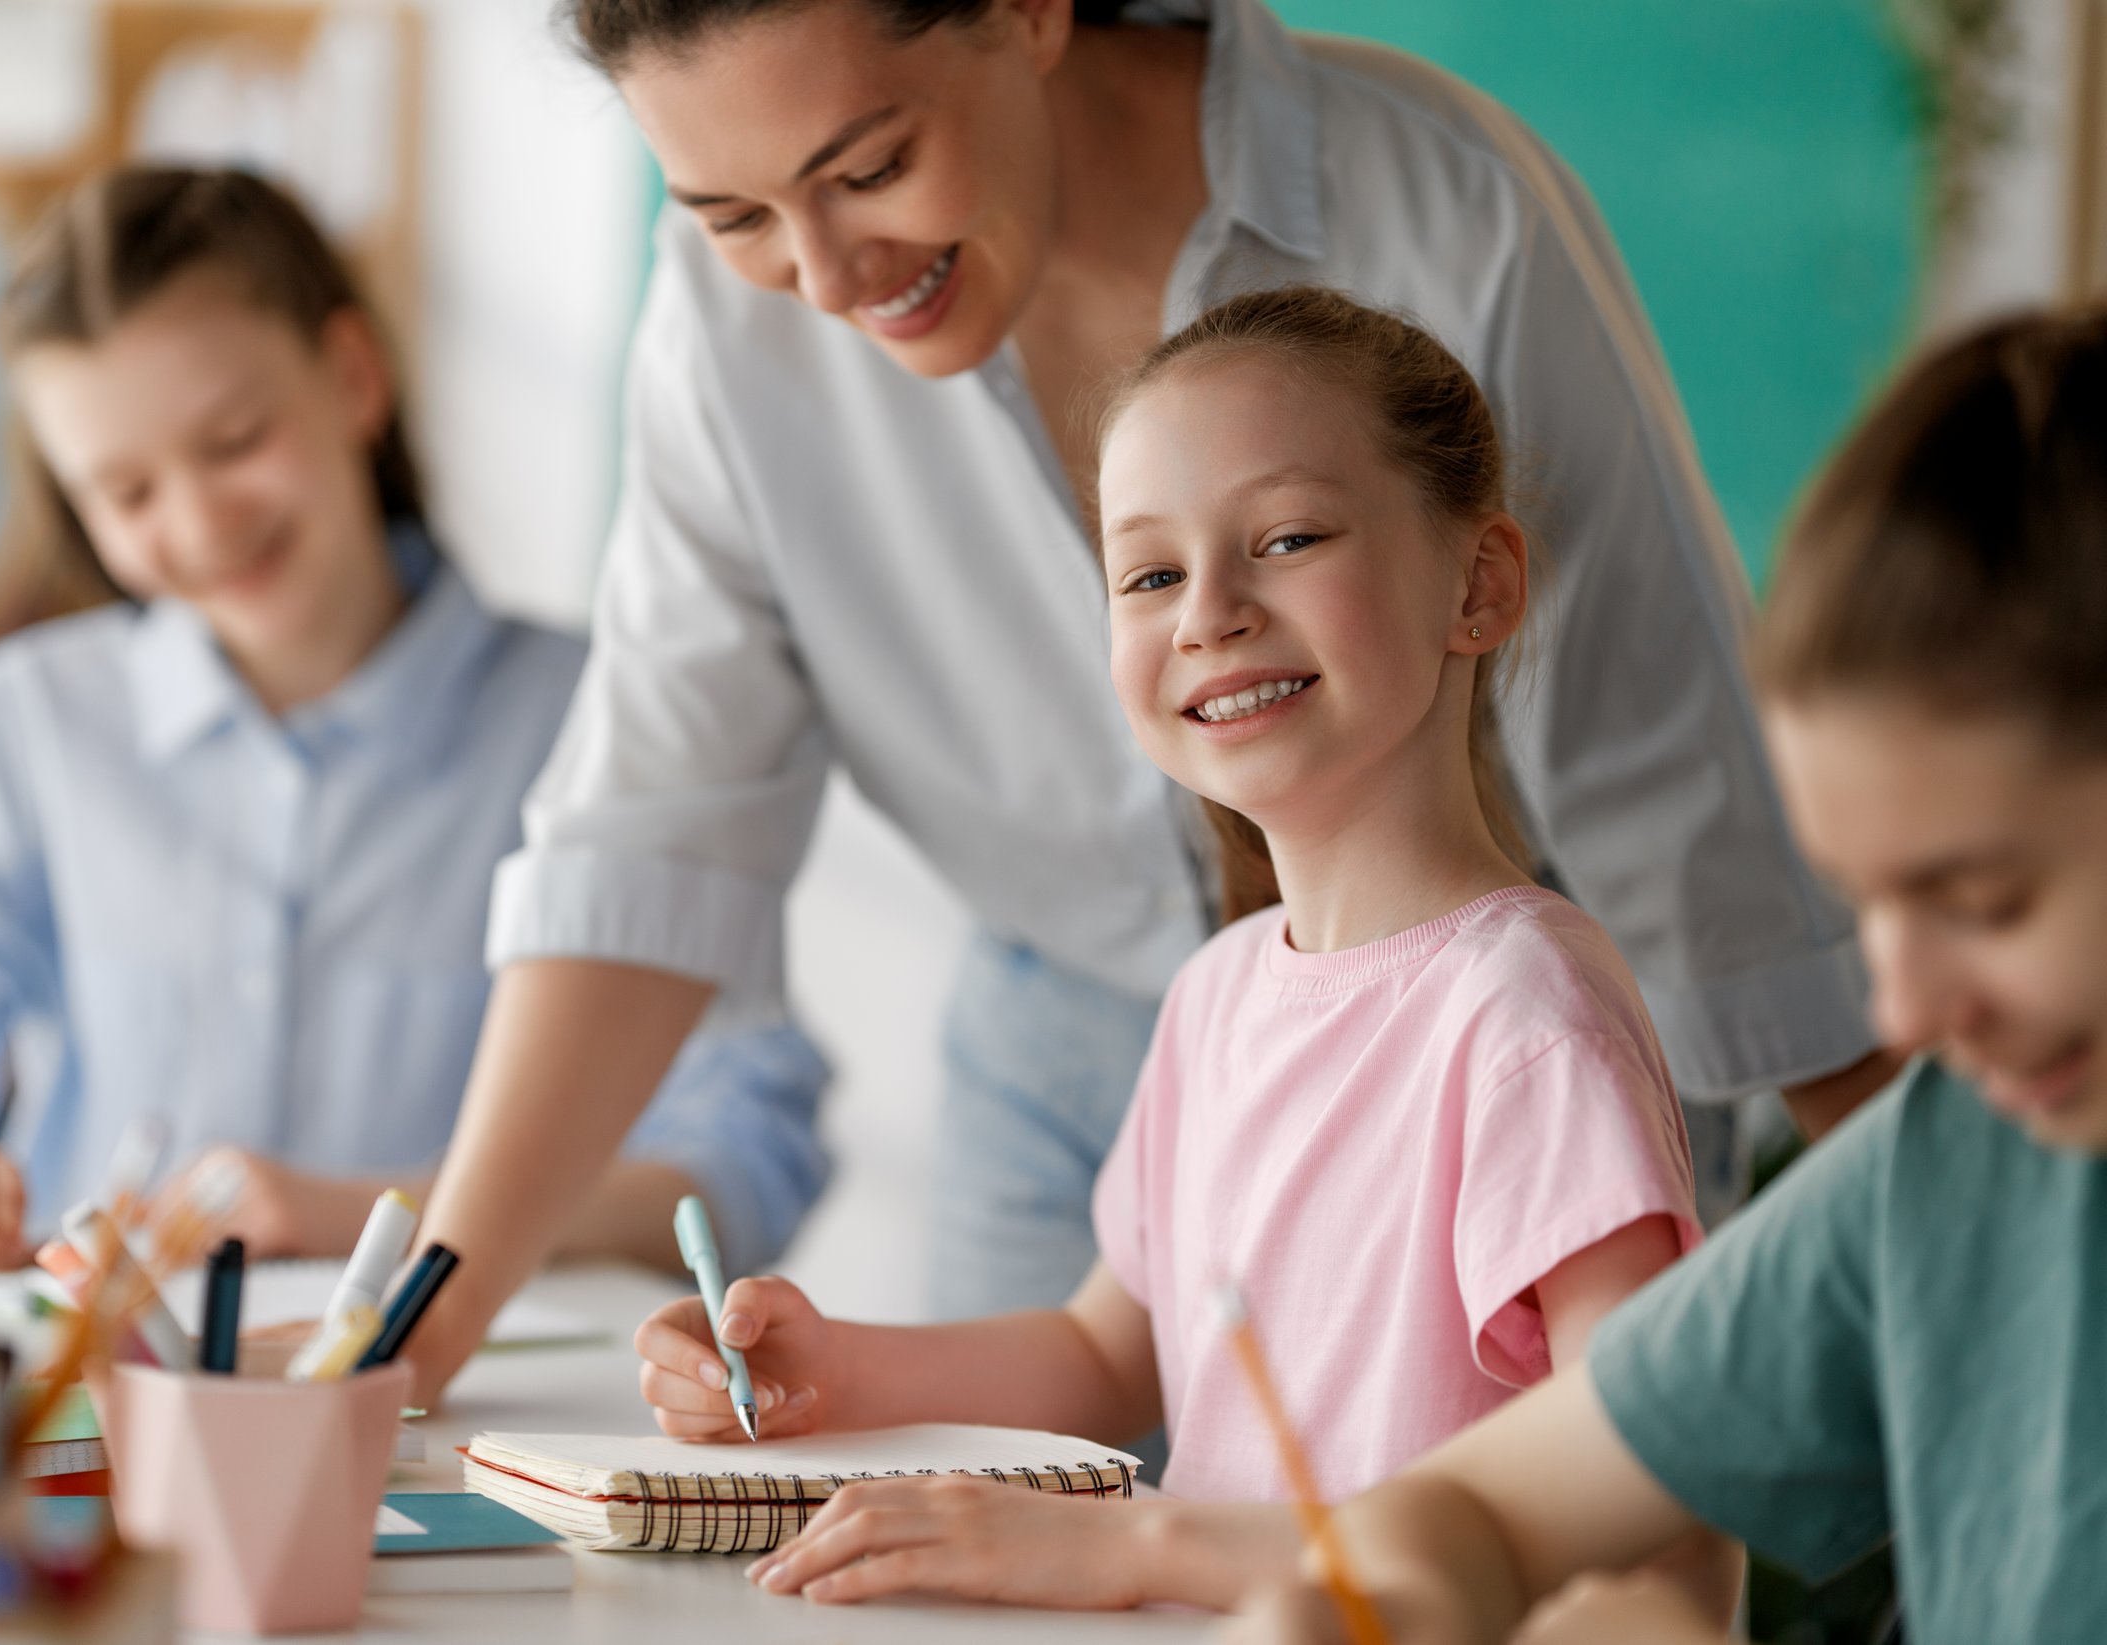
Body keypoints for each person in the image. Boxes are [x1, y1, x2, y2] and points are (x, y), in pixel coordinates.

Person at [405, 0, 1891, 1401]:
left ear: (1035, 11)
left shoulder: (1438, 205)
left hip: (1460, 1054)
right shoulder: (724, 333)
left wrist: (1962, 1288)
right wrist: (415, 1325)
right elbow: (652, 830)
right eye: (729, 215)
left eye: (869, 168)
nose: (828, 274)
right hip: (1071, 1031)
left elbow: (1683, 788)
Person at [632, 289, 1734, 1620]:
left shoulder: (1524, 1018)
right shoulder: (1218, 996)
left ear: (1477, 583)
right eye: (1150, 573)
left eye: (1286, 538)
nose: (1208, 612)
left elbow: (1662, 1534)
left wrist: (1135, 1548)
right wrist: (825, 1369)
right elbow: (1108, 1353)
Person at [0, 167, 830, 1280]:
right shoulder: (15, 731)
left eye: (235, 440)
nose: (200, 521)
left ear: (352, 377)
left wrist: (377, 1218)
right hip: (105, 1425)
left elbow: (747, 1153)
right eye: (127, 492)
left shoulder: (603, 724)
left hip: (472, 1418)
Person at [1229, 307, 2107, 1644]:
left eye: (1983, 900)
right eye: (1865, 905)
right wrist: (1410, 1592)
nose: (1906, 1012)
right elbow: (1476, 1511)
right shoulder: (1959, 1164)